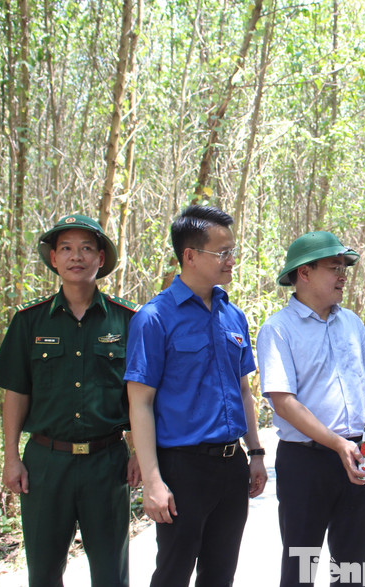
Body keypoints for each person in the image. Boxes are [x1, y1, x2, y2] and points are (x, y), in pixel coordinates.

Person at [256, 231, 365, 587]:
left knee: (351, 568)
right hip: (306, 462)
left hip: (357, 455)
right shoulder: (278, 329)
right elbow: (283, 402)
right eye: (334, 267)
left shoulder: (350, 322)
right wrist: (336, 444)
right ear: (304, 273)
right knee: (301, 567)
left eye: (344, 266)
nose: (343, 274)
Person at [0, 214, 140, 587]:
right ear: (53, 259)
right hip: (45, 464)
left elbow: (138, 397)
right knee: (43, 572)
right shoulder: (29, 321)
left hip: (107, 463)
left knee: (110, 573)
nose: (77, 257)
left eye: (87, 248)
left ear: (100, 259)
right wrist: (11, 458)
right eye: (66, 249)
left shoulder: (127, 321)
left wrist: (139, 454)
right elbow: (16, 393)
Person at [124, 205, 267, 586]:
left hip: (231, 465)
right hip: (182, 468)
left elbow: (242, 391)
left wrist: (254, 453)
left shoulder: (232, 315)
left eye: (232, 251)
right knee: (173, 572)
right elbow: (140, 402)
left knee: (220, 574)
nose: (230, 261)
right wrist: (153, 480)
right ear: (190, 255)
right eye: (222, 252)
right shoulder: (154, 318)